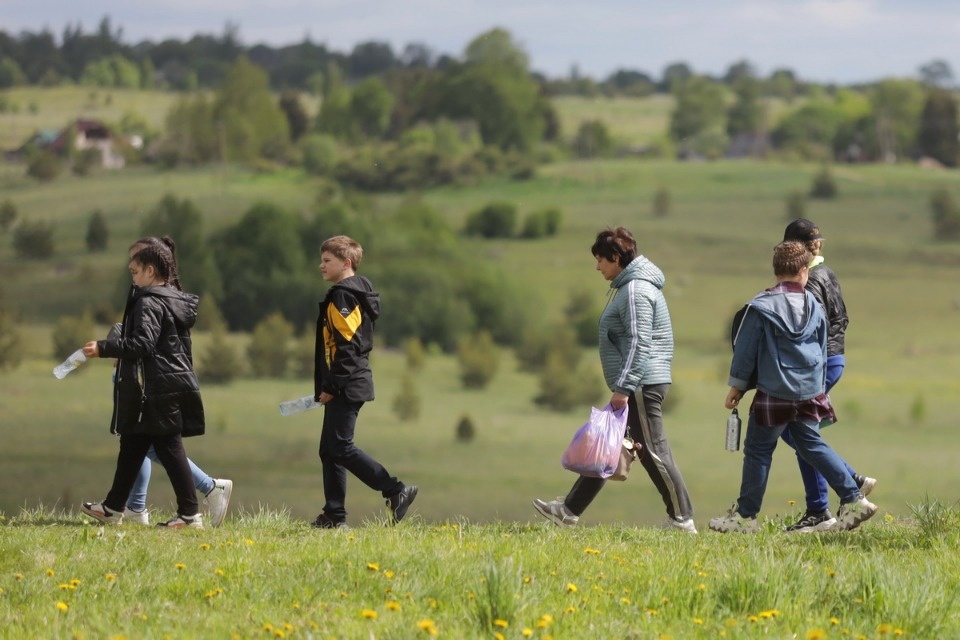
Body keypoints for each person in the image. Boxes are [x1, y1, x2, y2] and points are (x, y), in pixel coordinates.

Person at [533, 226, 697, 533]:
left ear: (616, 257)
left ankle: (682, 518)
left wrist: (624, 387)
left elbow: (639, 341)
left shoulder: (635, 290)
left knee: (653, 450)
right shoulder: (630, 287)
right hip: (638, 382)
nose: (597, 267)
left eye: (600, 260)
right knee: (610, 444)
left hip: (640, 384)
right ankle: (569, 510)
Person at [709, 241, 878, 533]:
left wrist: (737, 386)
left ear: (776, 271)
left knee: (759, 450)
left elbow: (746, 350)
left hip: (774, 391)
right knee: (812, 444)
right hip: (809, 390)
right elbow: (823, 345)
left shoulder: (760, 306)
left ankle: (746, 517)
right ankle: (854, 500)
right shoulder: (814, 304)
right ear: (804, 271)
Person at [80, 236, 207, 528]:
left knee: (170, 449)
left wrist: (104, 348)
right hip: (169, 383)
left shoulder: (149, 301)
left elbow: (141, 344)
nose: (133, 278)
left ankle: (190, 515)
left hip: (158, 388)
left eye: (135, 272)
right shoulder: (173, 298)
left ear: (150, 271)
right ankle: (112, 508)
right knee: (134, 442)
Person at [115, 237, 232, 528]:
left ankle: (207, 489)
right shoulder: (155, 295)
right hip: (142, 379)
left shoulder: (157, 299)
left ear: (152, 267)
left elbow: (149, 343)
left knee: (154, 443)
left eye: (136, 263)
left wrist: (114, 347)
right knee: (141, 442)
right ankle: (135, 506)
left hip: (152, 384)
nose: (130, 267)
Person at [310, 235, 417, 528]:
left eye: (327, 261)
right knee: (330, 449)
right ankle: (334, 516)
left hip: (346, 383)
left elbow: (348, 347)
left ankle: (395, 490)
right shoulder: (356, 292)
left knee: (341, 447)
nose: (321, 266)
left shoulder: (343, 296)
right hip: (348, 380)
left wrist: (332, 387)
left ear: (346, 263)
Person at [779, 218, 874, 533]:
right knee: (801, 431)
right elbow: (842, 318)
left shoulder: (810, 281)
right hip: (835, 359)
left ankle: (836, 494)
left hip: (818, 364)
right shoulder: (828, 273)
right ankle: (826, 502)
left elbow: (808, 329)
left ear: (794, 248)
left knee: (796, 430)